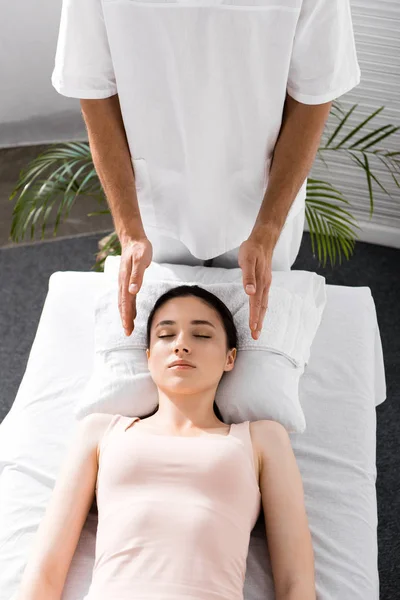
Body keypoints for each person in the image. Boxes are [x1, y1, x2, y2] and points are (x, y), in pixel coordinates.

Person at [51, 0, 361, 342]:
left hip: (260, 198)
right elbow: (94, 91)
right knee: (162, 319)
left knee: (251, 326)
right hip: (155, 201)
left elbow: (313, 95)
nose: (183, 349)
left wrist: (268, 228)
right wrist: (130, 232)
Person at [14, 285, 316, 600]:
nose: (181, 345)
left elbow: (295, 579)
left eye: (201, 335)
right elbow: (45, 569)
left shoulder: (262, 439)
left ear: (230, 358)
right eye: (165, 335)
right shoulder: (100, 431)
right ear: (148, 357)